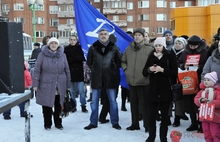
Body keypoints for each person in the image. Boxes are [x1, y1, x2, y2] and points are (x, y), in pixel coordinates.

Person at [84, 28, 122, 130]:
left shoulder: (114, 47)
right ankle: (93, 122)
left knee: (113, 101)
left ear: (108, 36)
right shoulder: (93, 47)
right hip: (97, 78)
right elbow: (89, 62)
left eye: (105, 34)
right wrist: (97, 70)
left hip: (111, 78)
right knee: (94, 102)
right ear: (98, 36)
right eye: (101, 34)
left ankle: (115, 122)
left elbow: (119, 61)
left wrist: (111, 70)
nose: (103, 36)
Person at [142, 37, 178, 142]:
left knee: (164, 117)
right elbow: (144, 72)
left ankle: (163, 138)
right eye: (156, 46)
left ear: (164, 46)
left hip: (165, 91)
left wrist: (162, 70)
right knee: (151, 116)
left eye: (160, 46)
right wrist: (150, 69)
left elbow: (174, 72)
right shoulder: (151, 56)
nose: (158, 48)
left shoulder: (170, 56)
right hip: (152, 91)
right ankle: (151, 136)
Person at [32, 37, 71, 130]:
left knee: (59, 104)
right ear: (48, 45)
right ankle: (47, 124)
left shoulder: (63, 55)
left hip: (60, 84)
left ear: (58, 45)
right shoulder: (42, 55)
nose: (54, 45)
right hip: (46, 83)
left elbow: (67, 70)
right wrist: (35, 84)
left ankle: (58, 123)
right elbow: (37, 70)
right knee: (46, 106)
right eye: (52, 43)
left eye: (55, 43)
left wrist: (68, 85)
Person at [121, 27, 153, 132]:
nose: (137, 37)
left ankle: (147, 125)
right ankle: (135, 124)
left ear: (143, 37)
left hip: (144, 81)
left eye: (139, 35)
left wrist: (148, 71)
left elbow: (153, 63)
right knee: (133, 104)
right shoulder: (128, 49)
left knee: (144, 105)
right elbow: (123, 61)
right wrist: (126, 70)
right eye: (135, 35)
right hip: (132, 81)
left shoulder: (149, 49)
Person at [178, 35, 208, 132]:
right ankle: (193, 122)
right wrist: (183, 65)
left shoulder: (205, 52)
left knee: (199, 103)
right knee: (189, 102)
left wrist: (199, 67)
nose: (192, 48)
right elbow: (179, 62)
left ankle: (201, 123)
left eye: (194, 46)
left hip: (200, 80)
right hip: (188, 81)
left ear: (199, 45)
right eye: (190, 46)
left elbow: (207, 65)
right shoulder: (185, 52)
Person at [64, 35, 88, 113]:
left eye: (74, 40)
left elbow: (84, 58)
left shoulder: (80, 48)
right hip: (70, 72)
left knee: (81, 91)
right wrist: (74, 59)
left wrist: (76, 58)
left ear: (76, 40)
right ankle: (73, 106)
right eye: (71, 40)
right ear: (69, 40)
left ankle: (83, 105)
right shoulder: (66, 49)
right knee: (72, 91)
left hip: (79, 72)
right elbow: (65, 60)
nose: (72, 41)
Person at [194, 71, 220, 142]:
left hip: (215, 117)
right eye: (205, 80)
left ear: (213, 81)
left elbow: (219, 102)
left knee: (215, 133)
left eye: (208, 80)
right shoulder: (202, 91)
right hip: (204, 117)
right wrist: (200, 100)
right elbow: (196, 99)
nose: (206, 81)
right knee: (206, 133)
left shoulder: (217, 92)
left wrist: (210, 102)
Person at [170, 37, 189, 127]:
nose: (177, 45)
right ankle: (167, 117)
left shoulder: (185, 53)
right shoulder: (170, 52)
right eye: (176, 43)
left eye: (179, 43)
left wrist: (181, 66)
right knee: (169, 99)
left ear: (183, 45)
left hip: (181, 79)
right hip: (170, 78)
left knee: (178, 100)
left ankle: (177, 119)